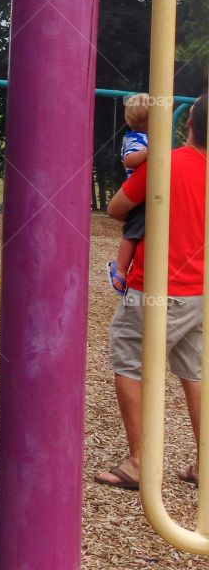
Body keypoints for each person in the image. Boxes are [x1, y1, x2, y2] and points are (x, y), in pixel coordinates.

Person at [95, 92, 207, 491]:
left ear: (189, 124)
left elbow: (116, 207)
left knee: (129, 364)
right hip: (199, 293)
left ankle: (141, 462)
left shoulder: (166, 163)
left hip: (155, 290)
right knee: (195, 375)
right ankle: (204, 464)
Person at [107, 92, 150, 294]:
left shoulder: (145, 136)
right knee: (132, 233)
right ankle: (121, 270)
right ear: (147, 121)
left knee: (140, 232)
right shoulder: (134, 139)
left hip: (146, 193)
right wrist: (150, 152)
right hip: (138, 195)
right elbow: (129, 160)